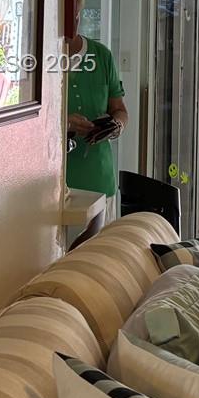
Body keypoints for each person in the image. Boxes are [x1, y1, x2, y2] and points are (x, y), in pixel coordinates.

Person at [66, 27, 127, 242]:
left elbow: (119, 109)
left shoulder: (101, 56)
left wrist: (116, 124)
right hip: (57, 187)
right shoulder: (42, 57)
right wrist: (63, 124)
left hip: (99, 181)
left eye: (75, 15)